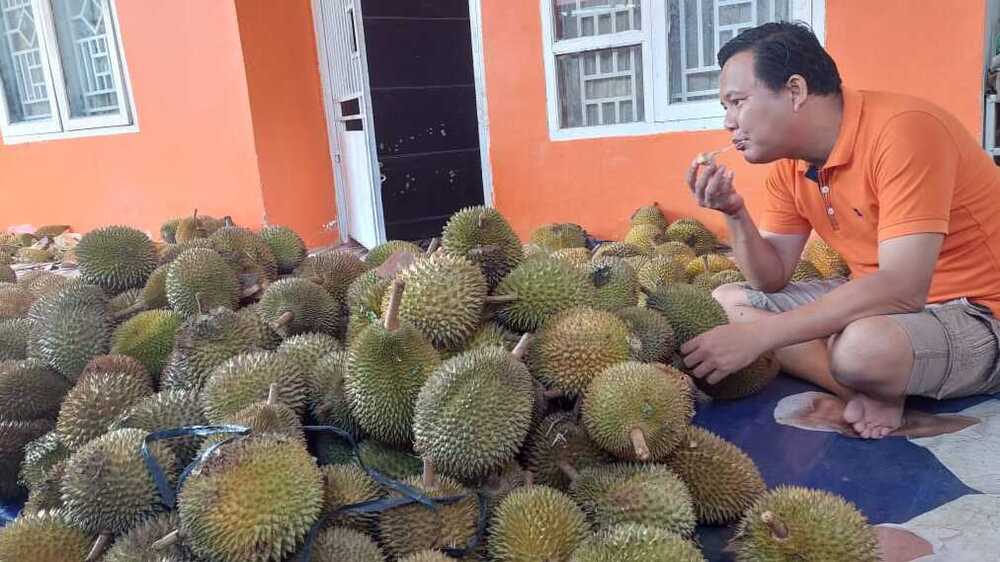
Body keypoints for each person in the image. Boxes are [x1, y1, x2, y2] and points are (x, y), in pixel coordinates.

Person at [681, 22, 1000, 439]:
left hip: (976, 311)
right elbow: (770, 278)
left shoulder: (904, 131)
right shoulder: (791, 166)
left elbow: (903, 287)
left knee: (862, 349)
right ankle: (862, 392)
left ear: (795, 91)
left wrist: (759, 336)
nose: (728, 122)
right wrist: (734, 213)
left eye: (737, 102)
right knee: (727, 300)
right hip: (879, 305)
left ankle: (866, 375)